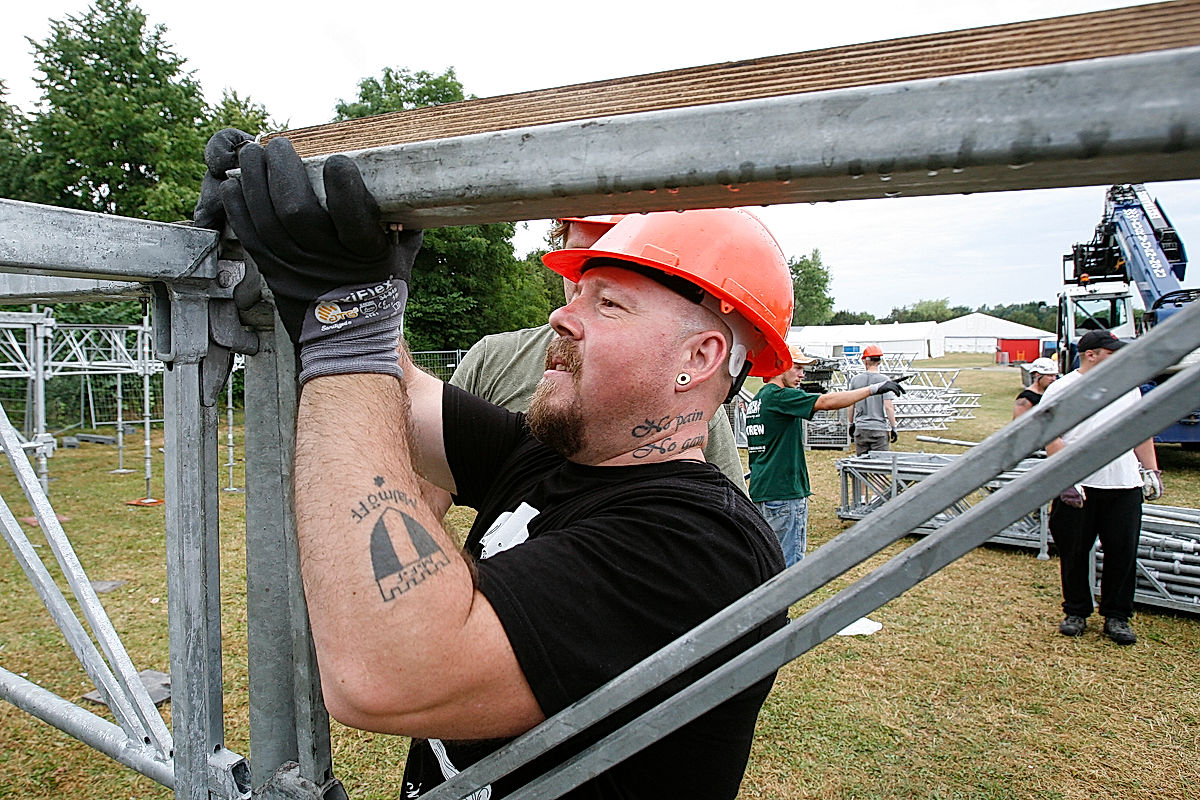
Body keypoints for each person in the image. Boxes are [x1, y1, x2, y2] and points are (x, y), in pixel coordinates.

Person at [199, 131, 795, 799]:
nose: (560, 316)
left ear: (700, 358)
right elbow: (399, 387)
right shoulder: (545, 455)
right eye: (576, 294)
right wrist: (308, 261)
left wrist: (347, 323)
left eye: (606, 303)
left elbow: (388, 673)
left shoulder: (703, 548)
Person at [449, 215, 746, 490]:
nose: (583, 281)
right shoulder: (494, 361)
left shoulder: (684, 399)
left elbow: (725, 515)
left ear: (698, 358)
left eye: (610, 297)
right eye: (582, 262)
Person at [1042, 329, 1163, 646]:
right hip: (1080, 486)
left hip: (1122, 484)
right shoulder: (1061, 389)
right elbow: (1049, 435)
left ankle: (1117, 616)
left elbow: (1140, 430)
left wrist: (1150, 469)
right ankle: (1077, 611)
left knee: (1122, 551)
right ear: (1091, 354)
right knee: (1074, 551)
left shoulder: (1127, 388)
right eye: (1112, 353)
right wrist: (1065, 478)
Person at [746, 344, 905, 566]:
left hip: (764, 490)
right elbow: (826, 403)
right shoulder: (779, 397)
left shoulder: (759, 399)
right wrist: (875, 389)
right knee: (787, 565)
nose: (802, 374)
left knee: (769, 559)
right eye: (797, 368)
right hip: (784, 492)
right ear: (780, 367)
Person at [846, 344, 899, 454]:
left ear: (865, 361)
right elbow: (888, 407)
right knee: (879, 464)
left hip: (861, 428)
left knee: (861, 464)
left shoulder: (855, 380)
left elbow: (851, 404)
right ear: (879, 361)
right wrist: (894, 427)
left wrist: (850, 423)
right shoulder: (885, 381)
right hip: (879, 428)